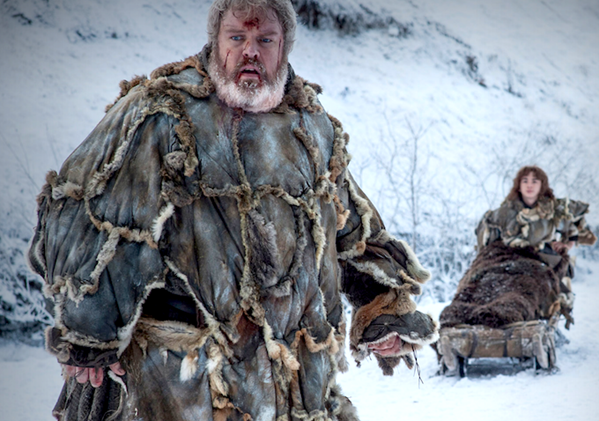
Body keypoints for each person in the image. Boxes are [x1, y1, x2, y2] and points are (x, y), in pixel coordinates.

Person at [28, 1, 438, 420]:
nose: (250, 51)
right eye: (237, 37)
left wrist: (382, 307)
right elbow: (88, 216)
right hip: (182, 385)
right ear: (216, 40)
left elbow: (347, 227)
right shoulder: (162, 113)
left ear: (284, 47)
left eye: (265, 40)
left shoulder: (312, 126)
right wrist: (89, 334)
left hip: (295, 383)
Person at [440, 165, 595, 330]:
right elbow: (486, 232)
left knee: (524, 287)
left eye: (534, 181)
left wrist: (565, 245)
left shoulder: (553, 211)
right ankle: (459, 314)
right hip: (503, 258)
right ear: (519, 185)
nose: (529, 185)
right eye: (525, 181)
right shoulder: (506, 211)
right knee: (481, 282)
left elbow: (572, 231)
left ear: (542, 185)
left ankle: (504, 314)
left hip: (536, 259)